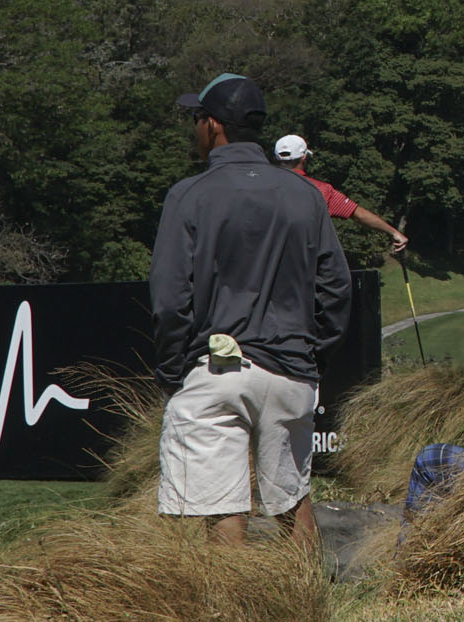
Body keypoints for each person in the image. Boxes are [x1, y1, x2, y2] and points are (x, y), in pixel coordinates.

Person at [150, 74, 353, 545]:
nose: (195, 127)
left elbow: (170, 300)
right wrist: (313, 357)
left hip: (217, 368)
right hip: (292, 367)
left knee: (221, 507)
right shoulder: (305, 195)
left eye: (197, 117)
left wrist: (172, 371)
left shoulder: (188, 195)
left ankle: (235, 594)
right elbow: (337, 289)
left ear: (214, 125)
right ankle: (306, 591)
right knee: (293, 500)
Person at [270, 135, 410, 254]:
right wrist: (394, 232)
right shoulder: (321, 190)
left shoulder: (261, 186)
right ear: (304, 157)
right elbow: (359, 214)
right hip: (302, 265)